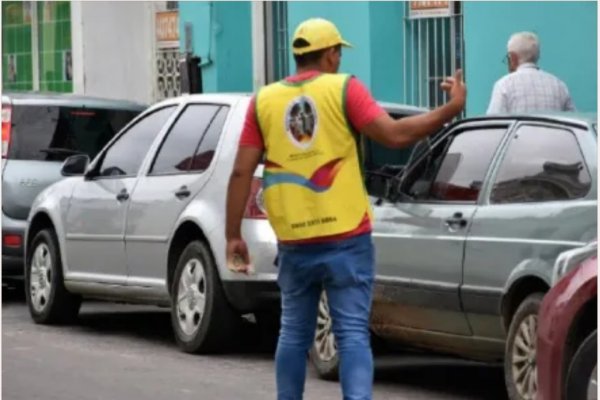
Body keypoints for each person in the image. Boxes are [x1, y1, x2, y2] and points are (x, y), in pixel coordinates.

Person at [225, 18, 466, 400]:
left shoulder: (265, 100)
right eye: (339, 52)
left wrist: (232, 234)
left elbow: (241, 170)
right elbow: (395, 134)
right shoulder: (344, 89)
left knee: (293, 332)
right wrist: (450, 109)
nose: (339, 59)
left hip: (295, 239)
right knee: (352, 332)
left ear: (298, 55)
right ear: (331, 54)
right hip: (345, 236)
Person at [487, 31, 575, 114]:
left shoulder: (503, 85)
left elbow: (493, 125)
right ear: (538, 56)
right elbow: (573, 121)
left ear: (513, 57)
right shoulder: (559, 86)